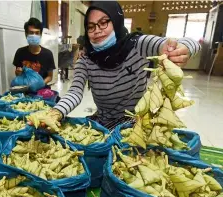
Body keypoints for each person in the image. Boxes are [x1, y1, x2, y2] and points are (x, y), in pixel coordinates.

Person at [31, 1, 200, 130]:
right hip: (104, 122)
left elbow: (183, 43)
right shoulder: (86, 59)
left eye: (104, 22)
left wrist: (182, 49)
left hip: (137, 123)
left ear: (117, 21)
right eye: (91, 27)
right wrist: (56, 112)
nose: (97, 30)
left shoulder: (137, 45)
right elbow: (75, 92)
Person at [13, 18, 56, 86]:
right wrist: (18, 73)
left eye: (37, 33)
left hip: (42, 90)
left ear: (41, 35)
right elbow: (18, 74)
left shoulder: (48, 54)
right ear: (26, 34)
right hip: (25, 89)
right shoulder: (20, 52)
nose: (34, 35)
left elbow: (50, 77)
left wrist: (40, 84)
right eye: (31, 33)